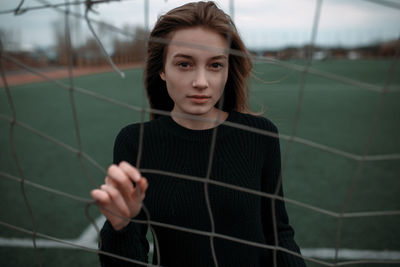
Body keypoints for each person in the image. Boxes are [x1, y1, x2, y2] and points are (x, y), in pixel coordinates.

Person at [91, 1, 306, 266]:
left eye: (215, 65)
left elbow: (279, 234)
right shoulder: (136, 142)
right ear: (161, 69)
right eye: (184, 64)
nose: (201, 82)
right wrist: (120, 227)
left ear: (228, 69)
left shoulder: (260, 135)